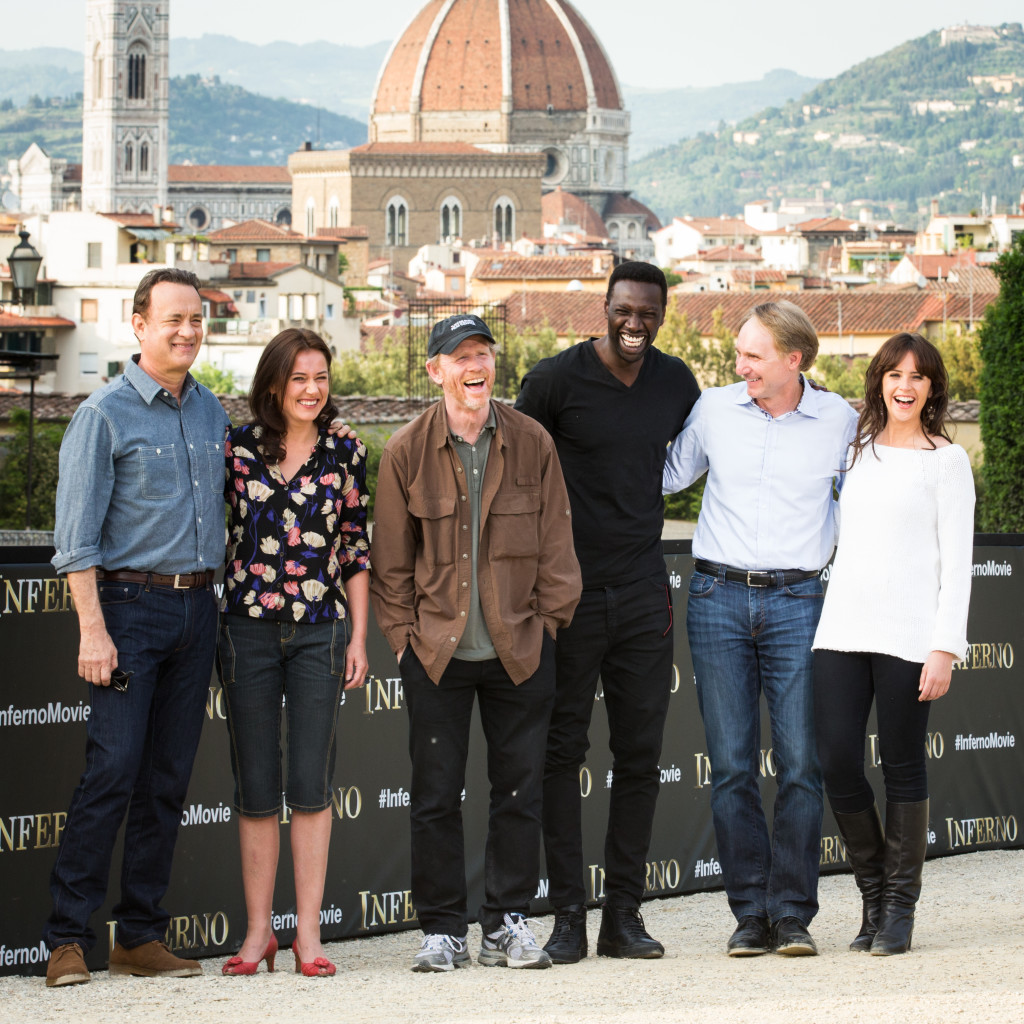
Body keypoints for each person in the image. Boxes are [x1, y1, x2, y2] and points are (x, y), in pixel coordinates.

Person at [370, 313, 581, 972]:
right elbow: (391, 567)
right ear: (435, 370)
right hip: (435, 655)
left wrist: (547, 627)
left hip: (520, 651)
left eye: (483, 353)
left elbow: (556, 546)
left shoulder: (532, 442)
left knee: (518, 794)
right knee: (434, 798)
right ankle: (441, 931)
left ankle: (506, 926)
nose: (475, 366)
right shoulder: (405, 451)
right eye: (460, 356)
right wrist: (405, 641)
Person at [44, 268, 230, 986]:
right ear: (140, 325)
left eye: (197, 319)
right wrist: (93, 630)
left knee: (167, 779)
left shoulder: (211, 412)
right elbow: (76, 540)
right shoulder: (105, 415)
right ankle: (66, 937)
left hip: (198, 610)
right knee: (112, 772)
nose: (187, 330)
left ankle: (139, 936)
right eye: (173, 319)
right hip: (128, 610)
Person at [516, 262, 700, 962]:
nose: (635, 323)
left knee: (641, 757)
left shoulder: (676, 383)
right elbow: (512, 470)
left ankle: (623, 915)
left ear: (661, 315)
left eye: (648, 313)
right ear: (605, 307)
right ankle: (568, 917)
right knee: (562, 754)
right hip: (567, 598)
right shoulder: (554, 381)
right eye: (625, 310)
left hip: (645, 591)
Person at [663, 300, 858, 958]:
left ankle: (794, 914)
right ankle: (750, 913)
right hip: (716, 597)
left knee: (803, 765)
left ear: (793, 360)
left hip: (802, 602)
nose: (738, 364)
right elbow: (664, 476)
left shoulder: (839, 420)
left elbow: (870, 503)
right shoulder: (715, 409)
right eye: (739, 352)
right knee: (731, 768)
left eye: (753, 355)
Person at [812, 332, 974, 956]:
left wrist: (945, 646)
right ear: (879, 380)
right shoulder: (854, 450)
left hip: (911, 636)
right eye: (894, 374)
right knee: (837, 763)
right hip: (843, 629)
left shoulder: (945, 462)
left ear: (932, 389)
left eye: (918, 376)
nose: (905, 385)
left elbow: (957, 564)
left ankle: (899, 909)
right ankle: (873, 893)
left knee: (902, 766)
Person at [217, 329, 370, 978]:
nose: (312, 390)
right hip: (245, 631)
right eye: (299, 378)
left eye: (322, 378)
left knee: (310, 785)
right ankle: (259, 934)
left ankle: (307, 935)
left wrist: (360, 636)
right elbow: (217, 536)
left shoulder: (348, 452)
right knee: (256, 787)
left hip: (320, 631)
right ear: (274, 383)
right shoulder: (238, 448)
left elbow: (358, 548)